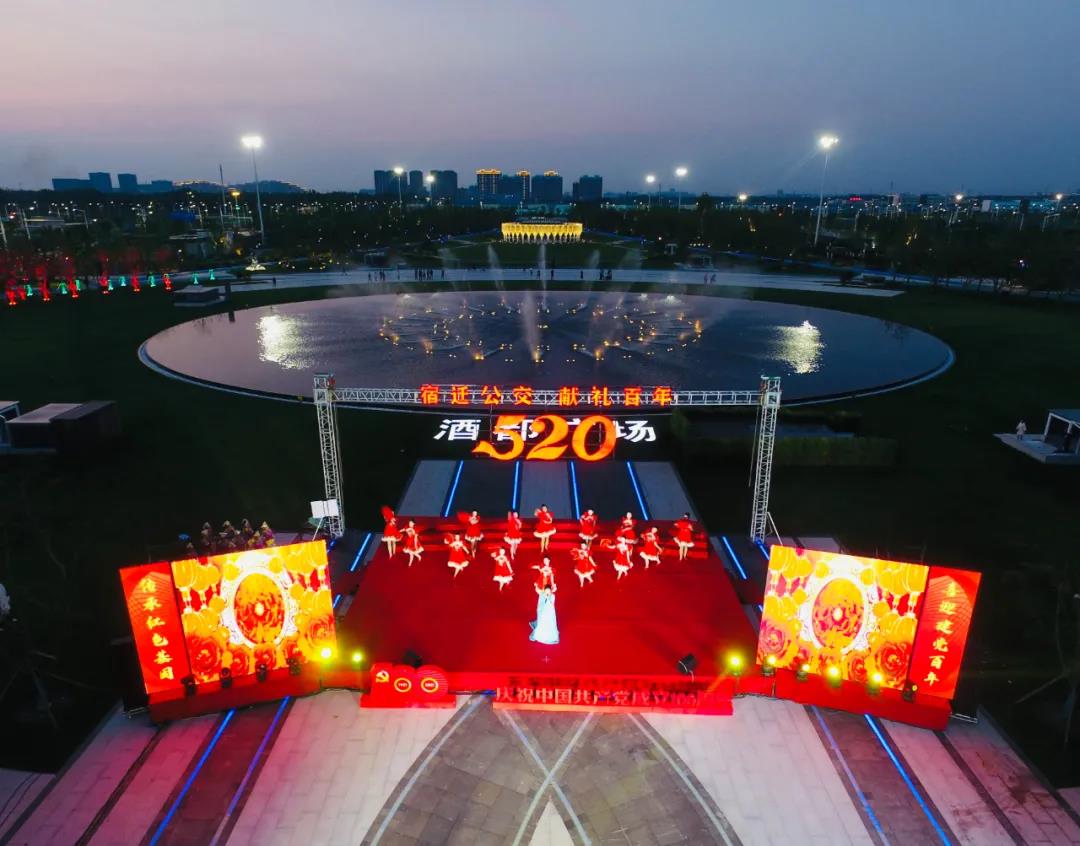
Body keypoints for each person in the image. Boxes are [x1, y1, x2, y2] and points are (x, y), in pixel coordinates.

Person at [529, 560, 559, 644]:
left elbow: (552, 604)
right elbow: (540, 605)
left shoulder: (552, 596)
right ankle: (539, 634)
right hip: (542, 612)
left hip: (550, 614)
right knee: (542, 623)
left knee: (549, 624)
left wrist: (552, 585)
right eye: (546, 591)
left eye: (549, 591)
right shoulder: (542, 595)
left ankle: (550, 635)